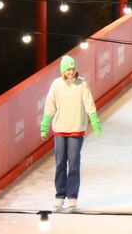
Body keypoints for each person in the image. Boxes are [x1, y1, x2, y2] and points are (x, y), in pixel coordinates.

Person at [40, 54, 101, 211]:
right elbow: (50, 106)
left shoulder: (82, 84)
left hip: (76, 130)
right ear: (63, 70)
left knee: (73, 164)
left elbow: (89, 104)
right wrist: (45, 126)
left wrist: (95, 122)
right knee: (60, 163)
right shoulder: (56, 85)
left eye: (73, 69)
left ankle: (72, 195)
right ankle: (60, 195)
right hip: (59, 130)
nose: (71, 72)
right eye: (68, 69)